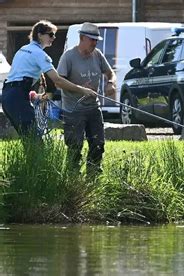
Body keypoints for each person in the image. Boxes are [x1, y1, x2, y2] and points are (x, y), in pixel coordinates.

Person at [1, 20, 96, 138]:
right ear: (39, 35)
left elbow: (17, 78)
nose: (54, 37)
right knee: (35, 140)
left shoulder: (23, 49)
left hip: (7, 95)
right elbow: (58, 80)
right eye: (50, 34)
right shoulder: (40, 54)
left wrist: (32, 94)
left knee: (29, 139)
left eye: (54, 34)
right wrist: (82, 90)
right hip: (17, 97)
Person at [57, 22, 116, 175]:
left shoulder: (97, 54)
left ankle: (93, 175)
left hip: (93, 108)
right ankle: (73, 177)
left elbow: (111, 73)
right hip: (73, 109)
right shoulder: (68, 56)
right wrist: (80, 89)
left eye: (97, 40)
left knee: (98, 144)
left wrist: (110, 83)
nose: (95, 43)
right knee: (75, 146)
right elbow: (59, 82)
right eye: (92, 40)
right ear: (82, 38)